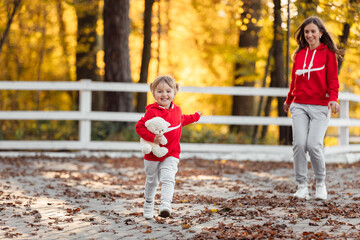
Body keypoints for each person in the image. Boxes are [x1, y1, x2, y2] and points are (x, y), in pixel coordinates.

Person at [283, 16, 340, 200]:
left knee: (314, 145)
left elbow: (333, 80)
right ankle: (301, 186)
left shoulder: (328, 53)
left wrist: (333, 99)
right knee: (299, 144)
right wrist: (289, 100)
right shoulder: (299, 54)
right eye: (306, 32)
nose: (309, 35)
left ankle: (321, 184)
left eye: (313, 31)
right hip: (299, 104)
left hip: (320, 106)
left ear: (321, 33)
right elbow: (294, 81)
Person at [135, 75, 202, 219]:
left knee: (168, 177)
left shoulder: (177, 110)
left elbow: (182, 120)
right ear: (154, 94)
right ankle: (148, 202)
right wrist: (153, 138)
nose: (164, 94)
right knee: (152, 180)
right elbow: (139, 127)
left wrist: (195, 117)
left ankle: (165, 204)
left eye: (168, 91)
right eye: (159, 91)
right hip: (153, 153)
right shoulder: (151, 112)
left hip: (172, 152)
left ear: (174, 92)